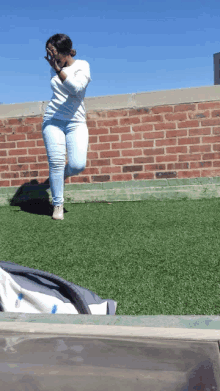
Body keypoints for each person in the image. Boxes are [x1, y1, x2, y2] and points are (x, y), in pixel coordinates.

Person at [42, 33, 92, 220]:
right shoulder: (55, 68)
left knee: (78, 165)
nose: (50, 56)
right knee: (55, 162)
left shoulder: (82, 66)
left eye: (52, 52)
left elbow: (76, 89)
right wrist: (56, 69)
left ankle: (59, 176)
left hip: (76, 122)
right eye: (48, 52)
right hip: (53, 120)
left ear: (64, 52)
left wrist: (58, 71)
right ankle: (58, 205)